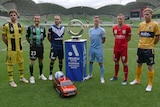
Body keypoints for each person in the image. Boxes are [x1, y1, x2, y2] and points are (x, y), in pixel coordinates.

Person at [130, 8, 160, 91]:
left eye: (147, 14)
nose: (145, 16)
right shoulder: (141, 24)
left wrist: (152, 44)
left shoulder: (155, 24)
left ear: (151, 15)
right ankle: (137, 79)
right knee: (139, 64)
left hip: (149, 49)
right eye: (144, 14)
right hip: (140, 48)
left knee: (150, 66)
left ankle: (150, 84)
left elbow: (157, 37)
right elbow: (140, 34)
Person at [1, 9, 29, 87]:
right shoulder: (6, 26)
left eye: (14, 15)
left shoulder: (21, 26)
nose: (13, 17)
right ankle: (11, 80)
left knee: (21, 62)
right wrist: (8, 45)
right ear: (9, 16)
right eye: (11, 15)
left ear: (17, 16)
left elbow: (20, 35)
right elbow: (3, 37)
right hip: (11, 48)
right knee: (10, 64)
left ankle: (22, 77)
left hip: (19, 48)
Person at [110, 13, 132, 85]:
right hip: (116, 49)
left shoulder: (127, 28)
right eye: (118, 19)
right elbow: (115, 36)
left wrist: (124, 43)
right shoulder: (114, 28)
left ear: (123, 19)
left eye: (121, 19)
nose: (119, 20)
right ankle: (115, 76)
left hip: (123, 49)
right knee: (116, 62)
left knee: (124, 63)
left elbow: (129, 38)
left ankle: (125, 79)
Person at [26, 14, 47, 83]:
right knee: (32, 61)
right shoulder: (30, 27)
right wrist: (31, 43)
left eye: (38, 18)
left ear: (40, 19)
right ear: (33, 19)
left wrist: (39, 42)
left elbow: (43, 37)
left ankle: (40, 74)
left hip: (40, 46)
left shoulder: (43, 28)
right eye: (35, 18)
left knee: (41, 61)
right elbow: (27, 37)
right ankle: (31, 76)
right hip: (33, 47)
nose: (37, 20)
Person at [85, 16, 106, 83]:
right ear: (93, 21)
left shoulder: (102, 30)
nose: (96, 22)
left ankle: (102, 77)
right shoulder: (90, 30)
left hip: (98, 49)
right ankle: (90, 75)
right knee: (91, 61)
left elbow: (104, 40)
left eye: (97, 21)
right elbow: (91, 38)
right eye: (95, 21)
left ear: (99, 21)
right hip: (91, 48)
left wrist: (98, 45)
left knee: (100, 63)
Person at [48, 15, 65, 80]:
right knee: (52, 60)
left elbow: (62, 36)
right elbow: (49, 37)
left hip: (61, 47)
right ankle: (50, 74)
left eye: (57, 19)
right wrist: (53, 43)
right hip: (54, 47)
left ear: (60, 20)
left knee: (60, 60)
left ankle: (61, 72)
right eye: (55, 19)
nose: (56, 20)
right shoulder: (51, 28)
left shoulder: (63, 28)